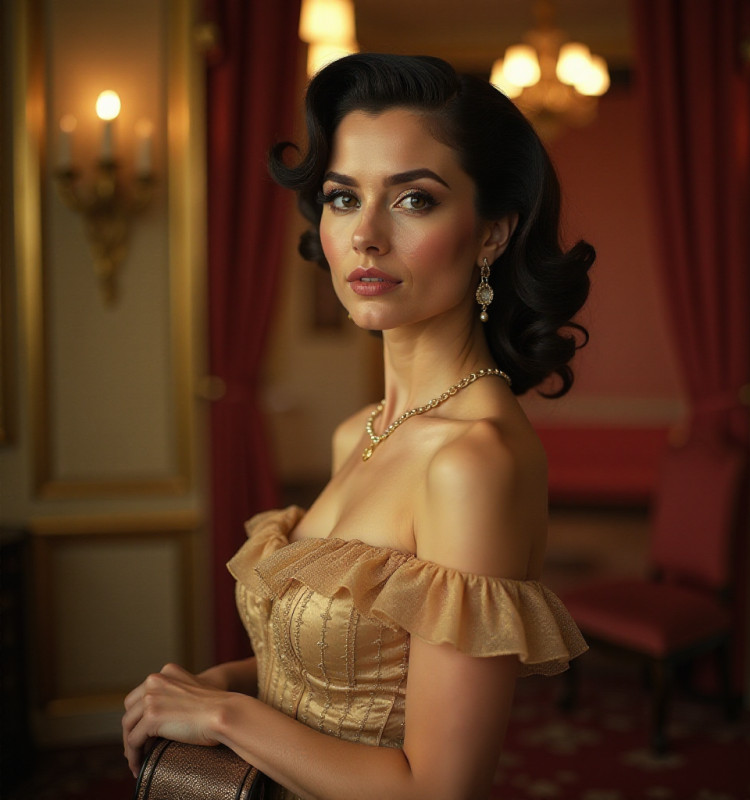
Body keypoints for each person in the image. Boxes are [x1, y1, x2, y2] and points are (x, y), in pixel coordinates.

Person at [123, 53, 593, 800]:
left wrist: (222, 714)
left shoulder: (473, 463)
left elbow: (437, 789)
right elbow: (349, 673)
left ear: (493, 233)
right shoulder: (360, 432)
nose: (366, 235)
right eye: (343, 198)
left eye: (414, 201)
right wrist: (228, 680)